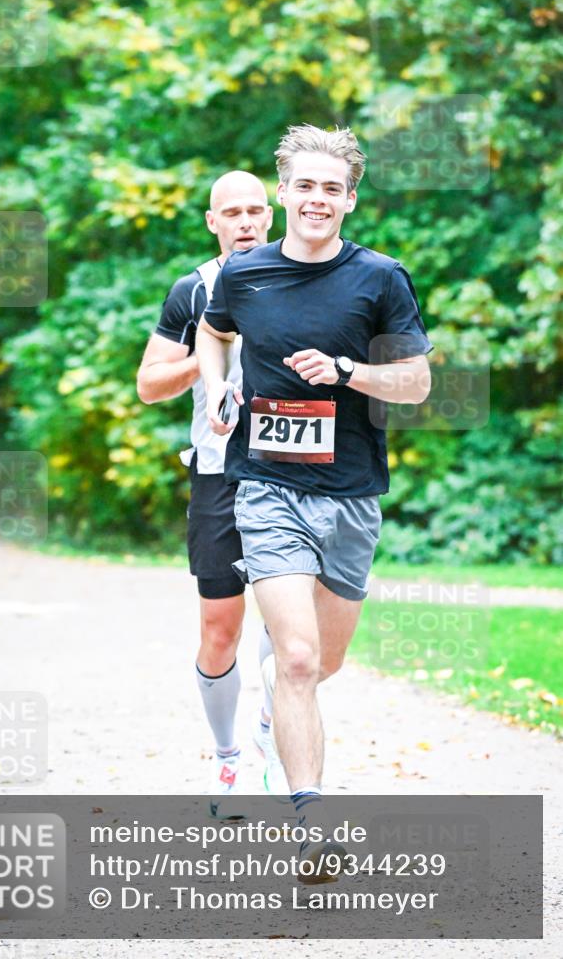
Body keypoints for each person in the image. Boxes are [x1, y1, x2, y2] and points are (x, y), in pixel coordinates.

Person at [196, 124, 433, 877]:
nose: (317, 199)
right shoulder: (244, 275)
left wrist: (347, 372)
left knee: (319, 663)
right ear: (284, 194)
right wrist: (216, 389)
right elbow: (211, 328)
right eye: (305, 185)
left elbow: (416, 382)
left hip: (352, 494)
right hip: (265, 485)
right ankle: (310, 824)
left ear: (349, 200)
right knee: (294, 656)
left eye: (332, 188)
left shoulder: (380, 278)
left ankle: (282, 705)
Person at [137, 171, 287, 816]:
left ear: (272, 216)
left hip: (290, 469)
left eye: (257, 209)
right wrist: (210, 349)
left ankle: (271, 746)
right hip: (218, 471)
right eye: (233, 212)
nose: (247, 220)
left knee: (288, 625)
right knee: (220, 629)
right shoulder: (193, 290)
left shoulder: (304, 276)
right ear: (212, 221)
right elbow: (148, 384)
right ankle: (228, 755)